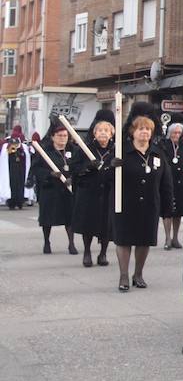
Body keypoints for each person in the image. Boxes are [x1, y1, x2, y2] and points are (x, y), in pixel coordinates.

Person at [113, 114, 172, 293]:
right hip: (125, 203)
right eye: (141, 129)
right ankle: (123, 275)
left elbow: (166, 180)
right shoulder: (122, 152)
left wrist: (167, 207)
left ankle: (138, 274)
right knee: (124, 240)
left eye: (147, 129)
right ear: (133, 132)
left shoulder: (158, 153)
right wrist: (111, 166)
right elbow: (108, 179)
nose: (144, 132)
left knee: (144, 240)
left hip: (149, 204)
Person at [71, 110, 117, 268]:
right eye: (100, 130)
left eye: (106, 130)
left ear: (112, 133)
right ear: (94, 133)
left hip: (108, 192)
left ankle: (103, 253)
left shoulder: (116, 150)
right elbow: (74, 168)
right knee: (88, 224)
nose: (103, 133)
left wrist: (114, 166)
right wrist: (88, 166)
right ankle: (87, 252)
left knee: (107, 224)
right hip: (89, 192)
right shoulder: (85, 148)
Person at [33, 120, 76, 255]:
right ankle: (47, 241)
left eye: (65, 135)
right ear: (53, 137)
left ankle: (71, 243)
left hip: (68, 190)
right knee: (47, 218)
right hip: (50, 189)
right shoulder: (45, 151)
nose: (62, 138)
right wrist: (50, 174)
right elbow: (36, 169)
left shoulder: (74, 151)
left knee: (69, 218)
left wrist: (72, 178)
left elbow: (79, 167)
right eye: (59, 135)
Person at [162, 121, 183, 249]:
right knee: (168, 211)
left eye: (179, 132)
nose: (177, 135)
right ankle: (167, 238)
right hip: (168, 182)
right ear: (170, 133)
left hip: (182, 184)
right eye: (175, 132)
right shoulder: (165, 145)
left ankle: (175, 238)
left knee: (178, 212)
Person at [5, 127, 31, 210]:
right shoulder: (9, 145)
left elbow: (25, 156)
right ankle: (14, 202)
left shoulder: (22, 146)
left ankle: (18, 201)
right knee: (15, 184)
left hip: (17, 168)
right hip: (14, 169)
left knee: (18, 184)